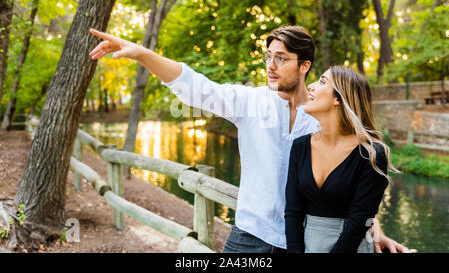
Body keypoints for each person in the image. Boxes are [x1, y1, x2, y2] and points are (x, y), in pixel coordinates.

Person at [88, 25, 409, 253]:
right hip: (249, 234)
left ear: (304, 66)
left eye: (281, 58)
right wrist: (141, 54)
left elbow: (350, 182)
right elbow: (196, 87)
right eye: (268, 56)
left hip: (300, 241)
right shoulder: (250, 102)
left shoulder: (323, 116)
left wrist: (373, 228)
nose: (270, 66)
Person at [285, 66, 393, 253]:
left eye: (322, 81)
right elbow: (293, 211)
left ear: (338, 98)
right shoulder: (300, 146)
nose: (310, 86)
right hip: (308, 245)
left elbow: (360, 220)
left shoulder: (373, 154)